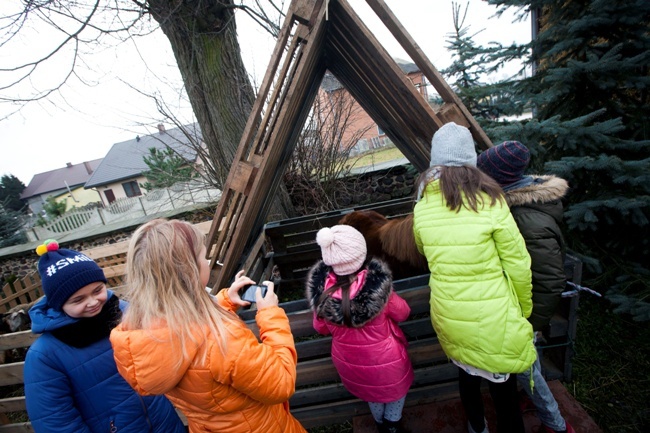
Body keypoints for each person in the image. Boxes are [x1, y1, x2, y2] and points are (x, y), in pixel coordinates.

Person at [109, 219, 306, 433]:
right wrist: (270, 315)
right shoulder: (223, 341)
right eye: (204, 257)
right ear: (189, 271)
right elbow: (281, 382)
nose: (208, 261)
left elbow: (186, 332)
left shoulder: (142, 334)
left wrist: (225, 301)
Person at [412, 122, 537, 433]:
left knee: (466, 375)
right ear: (472, 161)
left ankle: (476, 428)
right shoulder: (491, 201)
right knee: (504, 393)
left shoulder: (422, 206)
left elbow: (424, 251)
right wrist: (523, 310)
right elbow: (519, 264)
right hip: (492, 317)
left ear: (435, 162)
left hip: (449, 315)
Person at [24, 239, 185, 433]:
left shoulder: (126, 312)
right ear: (59, 303)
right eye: (78, 299)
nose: (92, 302)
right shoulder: (45, 356)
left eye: (97, 290)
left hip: (166, 424)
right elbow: (56, 421)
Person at [478, 141, 575, 433]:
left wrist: (531, 322)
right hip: (525, 303)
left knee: (525, 367)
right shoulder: (520, 204)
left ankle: (556, 425)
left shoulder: (525, 219)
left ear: (498, 180)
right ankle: (527, 395)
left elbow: (549, 277)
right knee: (529, 363)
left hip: (526, 310)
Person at [305, 225, 414, 433]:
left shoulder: (323, 295)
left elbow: (320, 328)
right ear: (361, 254)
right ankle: (392, 425)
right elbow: (403, 313)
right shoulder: (380, 291)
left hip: (349, 362)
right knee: (395, 394)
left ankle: (380, 424)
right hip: (386, 359)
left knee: (372, 394)